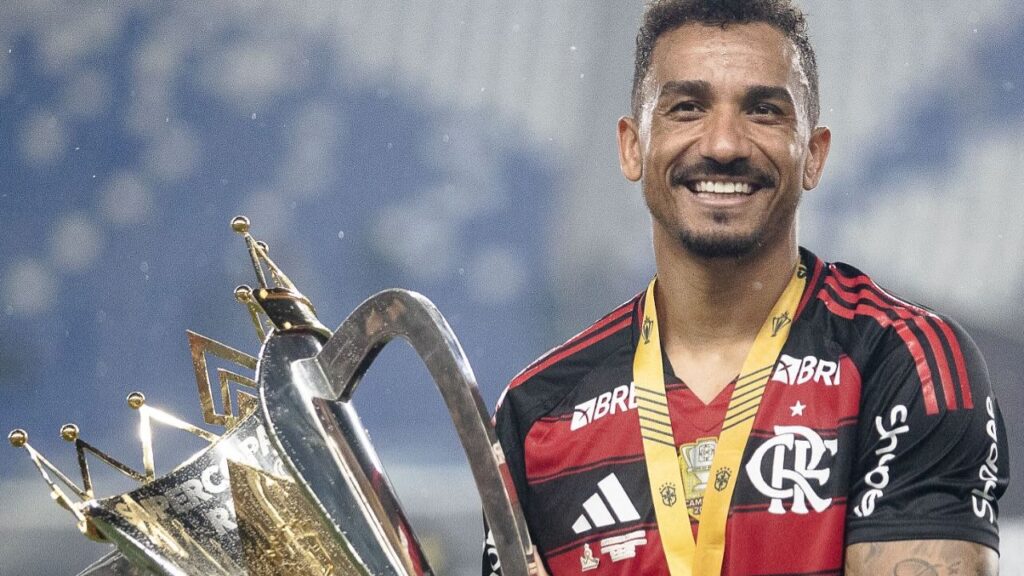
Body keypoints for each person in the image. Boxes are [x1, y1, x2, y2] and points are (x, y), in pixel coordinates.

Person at [482, 0, 1009, 574]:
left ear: (813, 155)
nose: (724, 145)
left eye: (763, 111)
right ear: (633, 147)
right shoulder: (537, 416)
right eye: (687, 108)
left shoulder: (908, 364)